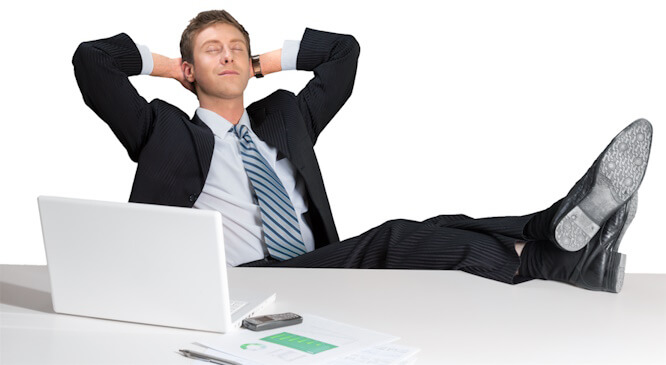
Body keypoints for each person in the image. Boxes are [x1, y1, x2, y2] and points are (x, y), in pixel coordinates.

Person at [72, 10, 652, 293]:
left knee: (439, 225)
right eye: (210, 50)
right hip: (241, 282)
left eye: (236, 49)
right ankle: (549, 253)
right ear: (190, 67)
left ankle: (559, 240)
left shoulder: (283, 117)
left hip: (315, 267)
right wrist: (165, 66)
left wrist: (266, 61)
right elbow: (91, 63)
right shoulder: (164, 130)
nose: (226, 56)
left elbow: (343, 54)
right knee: (396, 236)